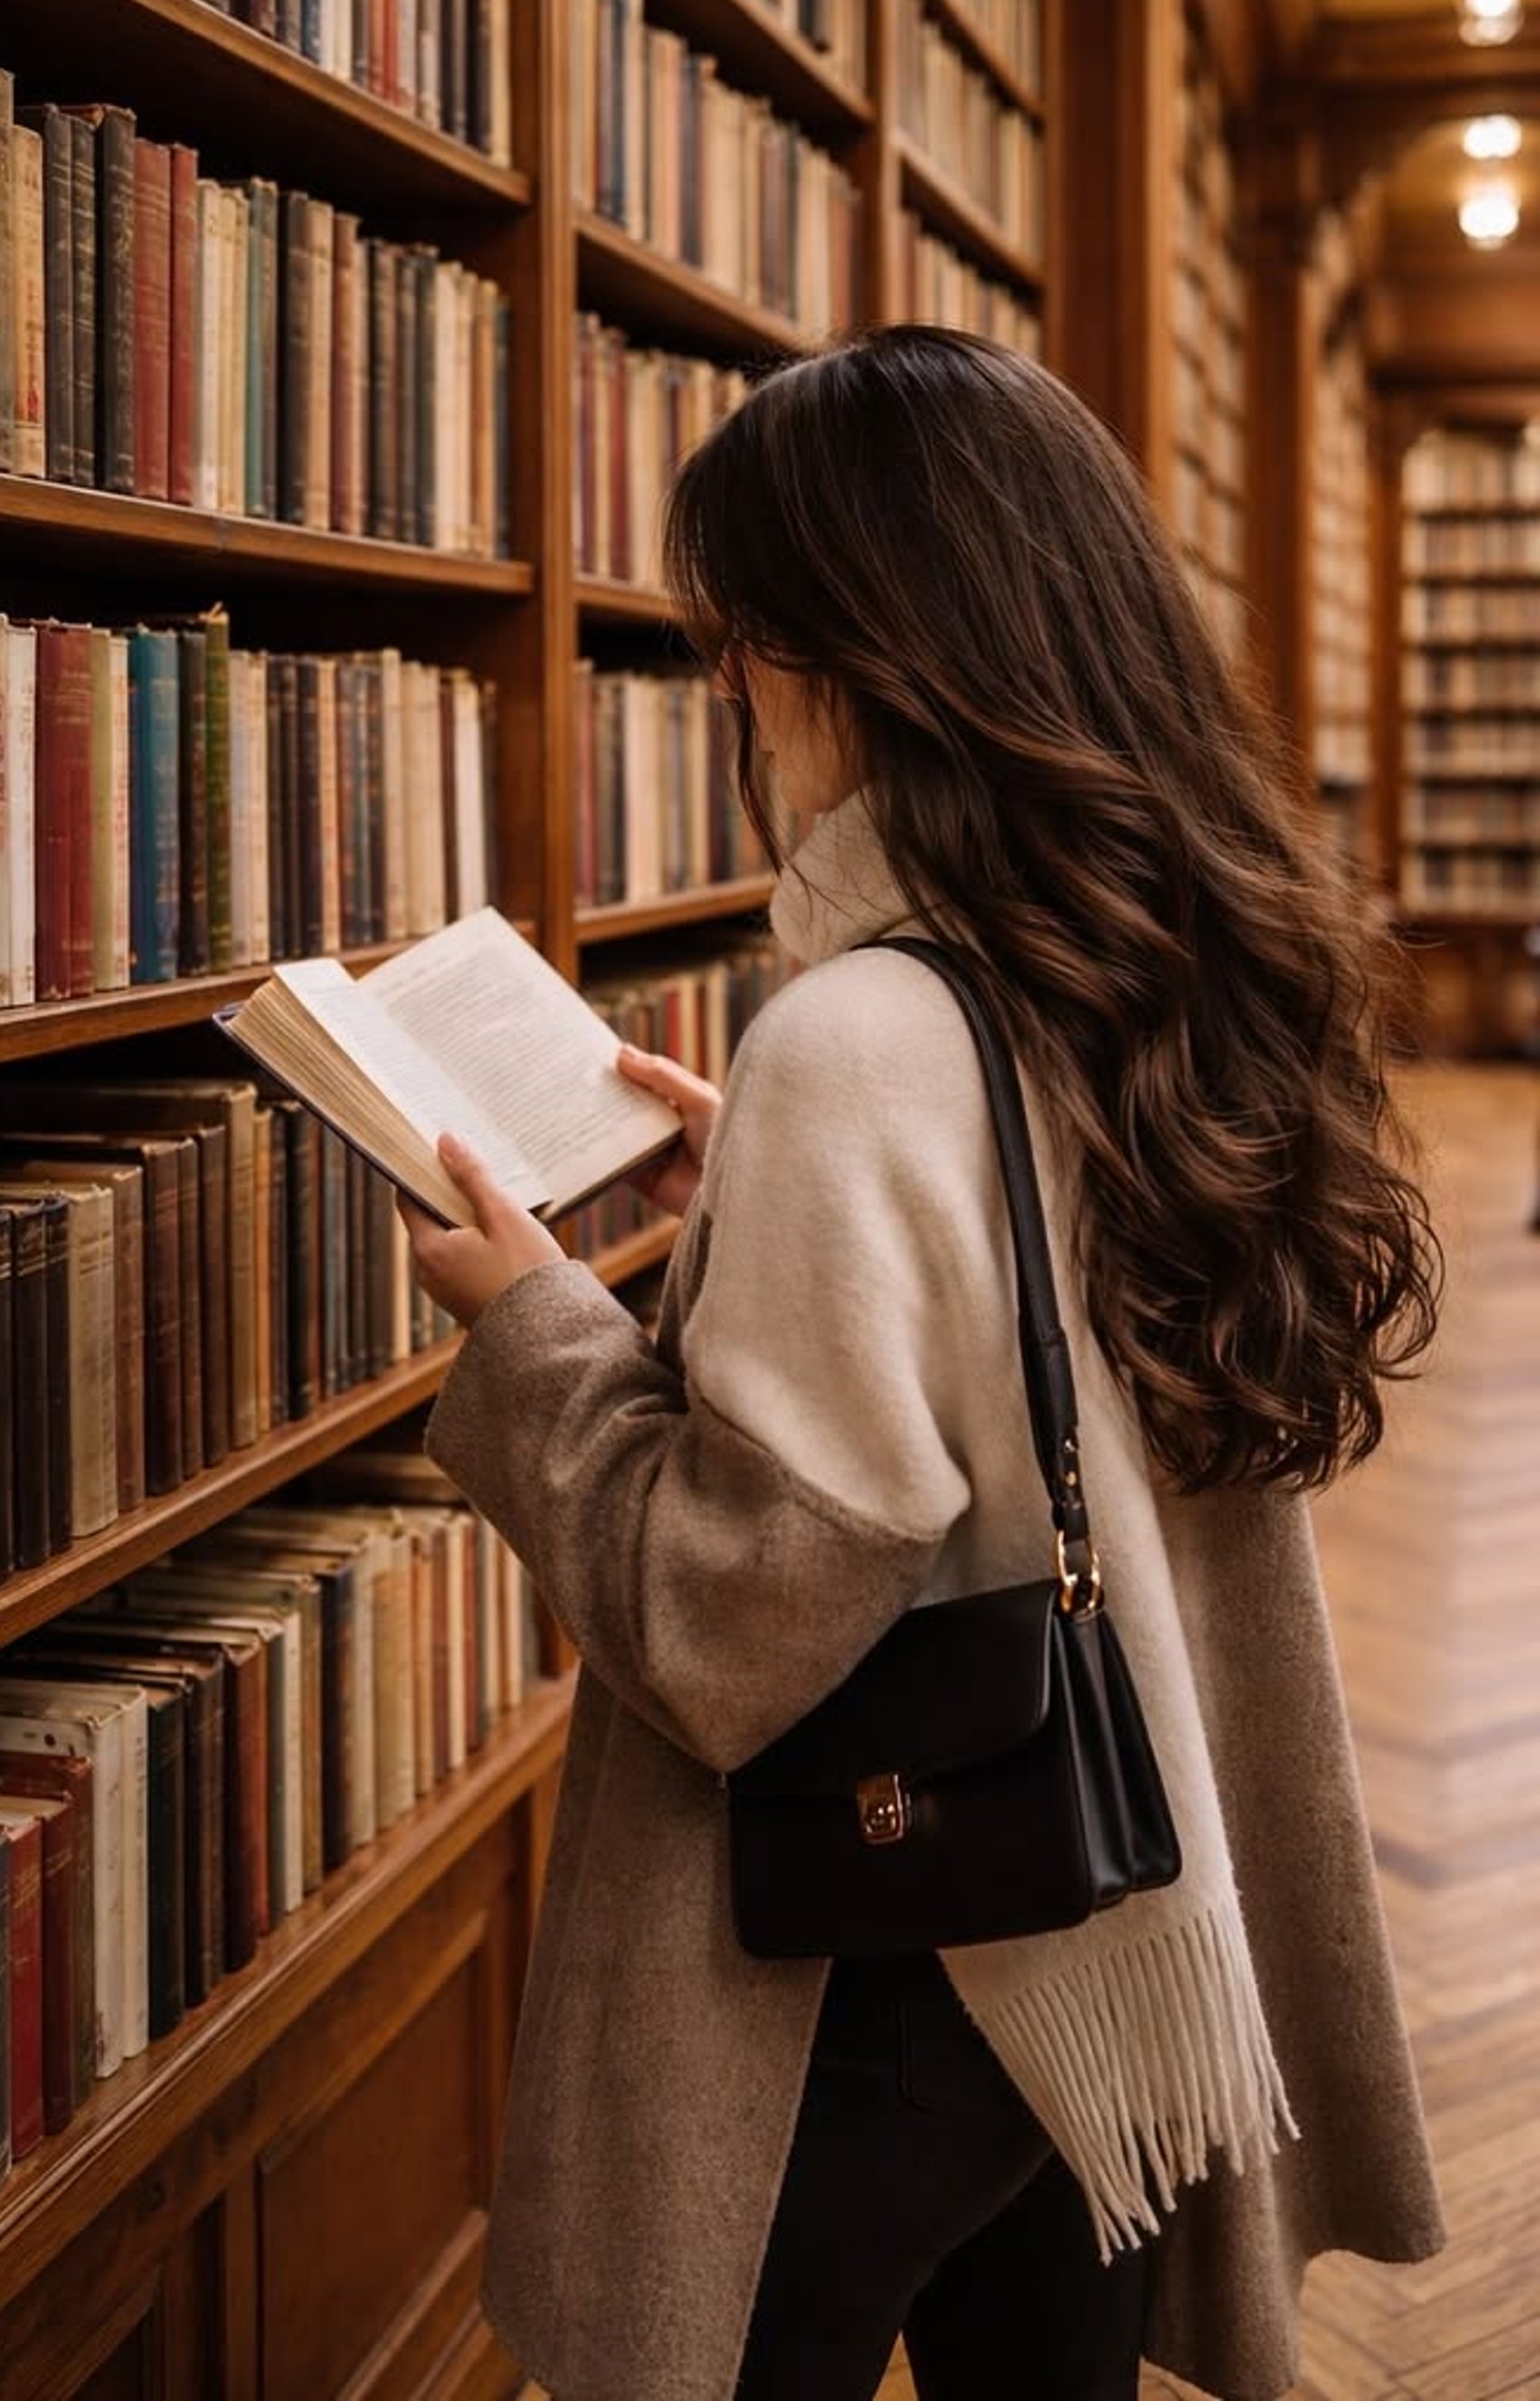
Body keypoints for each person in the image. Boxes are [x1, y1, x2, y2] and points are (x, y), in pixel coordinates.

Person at [398, 327, 1446, 2401]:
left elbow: (740, 1609)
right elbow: (1043, 1324)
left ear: (865, 651)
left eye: (744, 640)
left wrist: (536, 1333)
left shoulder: (859, 1036)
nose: (734, 694)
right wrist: (772, 1197)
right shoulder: (1143, 960)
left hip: (890, 1948)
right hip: (1114, 1904)